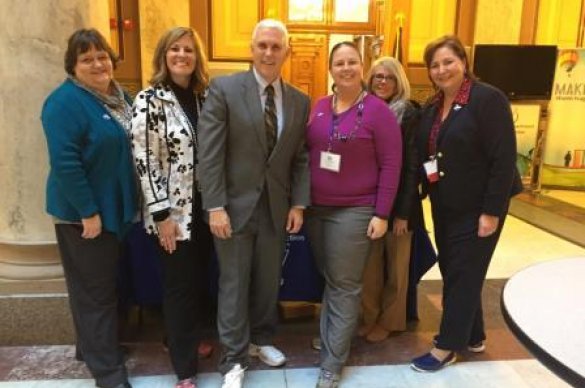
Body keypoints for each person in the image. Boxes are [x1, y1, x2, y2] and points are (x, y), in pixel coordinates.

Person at [198, 19, 311, 388]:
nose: (268, 52)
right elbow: (210, 153)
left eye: (276, 47)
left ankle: (262, 340)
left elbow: (300, 158)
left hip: (276, 209)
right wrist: (214, 205)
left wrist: (298, 204)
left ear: (287, 52)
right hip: (232, 209)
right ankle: (232, 357)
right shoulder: (224, 89)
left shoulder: (298, 99)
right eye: (262, 45)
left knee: (266, 282)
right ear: (251, 49)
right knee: (234, 283)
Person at [410, 35, 522, 372]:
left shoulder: (488, 100)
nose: (442, 69)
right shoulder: (432, 105)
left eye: (448, 62)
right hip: (446, 205)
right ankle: (474, 336)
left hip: (479, 207)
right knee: (456, 270)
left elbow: (504, 160)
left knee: (463, 274)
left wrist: (491, 211)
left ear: (464, 63)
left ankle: (448, 345)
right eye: (435, 64)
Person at [41, 28, 136, 388]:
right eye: (87, 58)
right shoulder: (63, 103)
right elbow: (65, 163)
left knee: (103, 286)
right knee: (95, 294)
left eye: (102, 56)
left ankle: (92, 347)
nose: (97, 63)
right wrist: (88, 212)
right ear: (73, 65)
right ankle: (108, 373)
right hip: (85, 216)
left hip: (114, 210)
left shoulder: (118, 96)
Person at [305, 42, 402, 388]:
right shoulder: (318, 107)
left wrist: (382, 213)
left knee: (345, 285)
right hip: (317, 208)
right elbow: (306, 155)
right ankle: (334, 336)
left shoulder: (378, 112)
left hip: (356, 210)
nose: (345, 68)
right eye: (339, 63)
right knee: (332, 278)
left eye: (352, 62)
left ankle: (332, 362)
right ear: (330, 69)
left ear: (362, 67)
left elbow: (392, 165)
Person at [130, 26, 213, 388]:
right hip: (172, 214)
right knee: (179, 286)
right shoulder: (149, 99)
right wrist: (162, 215)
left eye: (189, 50)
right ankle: (185, 370)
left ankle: (184, 338)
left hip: (206, 209)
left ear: (197, 58)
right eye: (175, 49)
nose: (182, 55)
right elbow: (144, 161)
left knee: (197, 281)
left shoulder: (205, 97)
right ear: (164, 55)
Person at [359, 56, 424, 342]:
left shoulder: (408, 114)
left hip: (400, 207)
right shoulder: (363, 110)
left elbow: (412, 166)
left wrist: (403, 213)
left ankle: (391, 321)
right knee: (370, 269)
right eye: (377, 77)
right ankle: (370, 318)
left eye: (389, 77)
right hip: (368, 204)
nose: (382, 82)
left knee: (397, 271)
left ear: (399, 82)